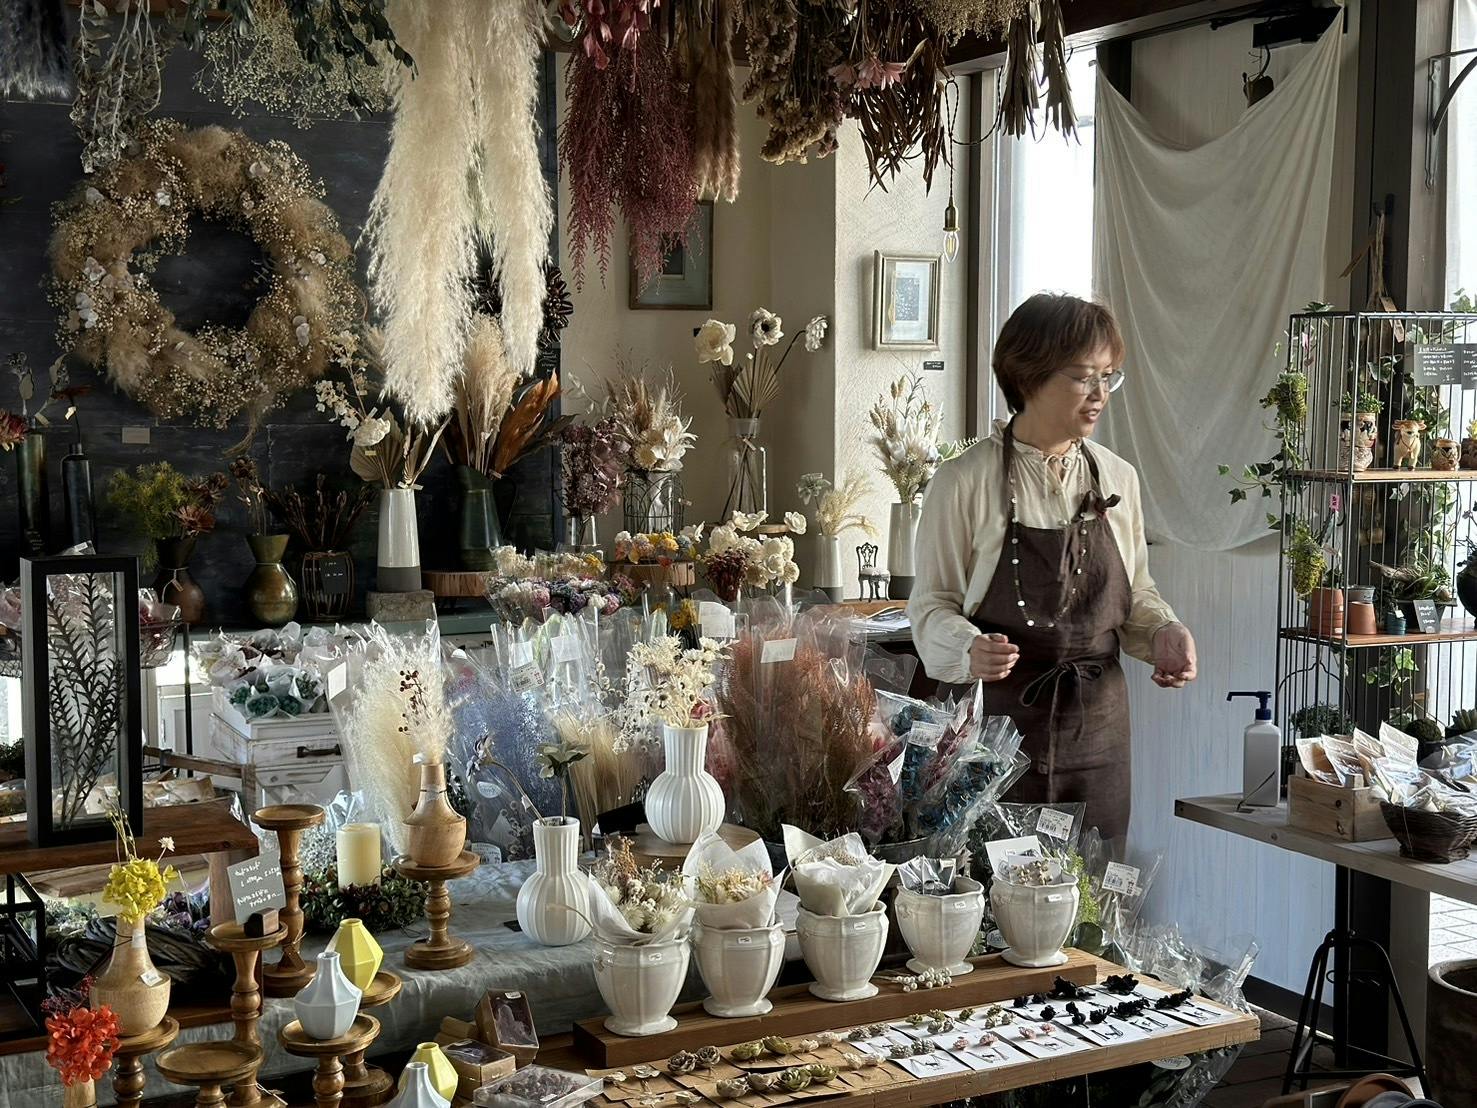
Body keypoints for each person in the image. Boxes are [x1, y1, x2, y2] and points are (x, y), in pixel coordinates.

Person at [907, 293, 1197, 842]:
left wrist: (1164, 631)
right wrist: (968, 648)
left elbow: (1136, 593)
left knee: (1094, 881)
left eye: (1109, 377)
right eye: (1085, 377)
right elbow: (931, 606)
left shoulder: (1117, 477)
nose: (1100, 394)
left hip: (1098, 729)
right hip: (996, 733)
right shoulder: (964, 481)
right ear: (1031, 376)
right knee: (992, 879)